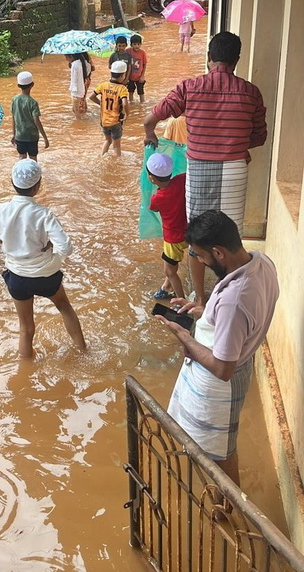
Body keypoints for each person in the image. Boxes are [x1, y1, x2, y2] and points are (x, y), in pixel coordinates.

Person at [143, 31, 267, 305]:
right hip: (234, 171)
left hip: (199, 170)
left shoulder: (190, 87)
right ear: (236, 60)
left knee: (197, 239)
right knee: (231, 238)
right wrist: (233, 141)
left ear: (209, 57)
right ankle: (230, 298)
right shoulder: (251, 92)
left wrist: (149, 133)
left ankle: (199, 299)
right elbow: (259, 137)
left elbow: (152, 117)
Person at [158, 210, 278, 486]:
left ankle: (227, 507)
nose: (200, 261)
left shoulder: (234, 301)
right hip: (230, 367)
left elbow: (224, 369)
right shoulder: (262, 262)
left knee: (217, 457)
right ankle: (221, 501)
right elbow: (240, 321)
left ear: (218, 253)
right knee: (214, 448)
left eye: (201, 256)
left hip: (219, 385)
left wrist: (184, 336)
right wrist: (206, 313)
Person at [0, 160, 86, 359]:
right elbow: (66, 248)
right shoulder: (44, 214)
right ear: (38, 186)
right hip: (46, 275)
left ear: (12, 182)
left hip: (17, 277)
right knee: (64, 306)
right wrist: (52, 249)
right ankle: (83, 352)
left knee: (26, 327)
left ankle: (26, 370)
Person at [146, 153, 187, 300]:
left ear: (151, 178)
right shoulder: (182, 180)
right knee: (172, 262)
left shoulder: (157, 198)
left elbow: (153, 208)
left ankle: (180, 300)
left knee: (170, 271)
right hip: (188, 231)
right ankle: (166, 287)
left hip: (172, 239)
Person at [90, 60, 130, 156]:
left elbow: (91, 97)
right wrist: (127, 114)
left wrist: (101, 104)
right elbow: (125, 103)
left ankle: (102, 156)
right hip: (115, 121)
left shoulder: (103, 85)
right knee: (117, 146)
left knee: (107, 140)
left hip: (104, 120)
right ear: (122, 75)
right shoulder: (122, 89)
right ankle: (118, 162)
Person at [10, 70, 48, 160]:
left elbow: (13, 118)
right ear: (32, 85)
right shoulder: (33, 103)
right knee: (33, 158)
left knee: (22, 157)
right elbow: (37, 121)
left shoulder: (14, 100)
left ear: (18, 85)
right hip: (32, 137)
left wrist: (14, 134)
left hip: (20, 136)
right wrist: (45, 138)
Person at [128, 34, 148, 105]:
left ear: (141, 44)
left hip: (139, 77)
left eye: (138, 44)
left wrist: (142, 76)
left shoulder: (142, 53)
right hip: (130, 76)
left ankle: (142, 105)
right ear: (131, 44)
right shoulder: (128, 51)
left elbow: (144, 64)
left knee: (141, 92)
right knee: (130, 91)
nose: (136, 46)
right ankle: (131, 103)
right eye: (134, 44)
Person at [67, 54, 87, 118]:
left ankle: (80, 121)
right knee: (75, 109)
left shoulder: (75, 64)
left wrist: (73, 90)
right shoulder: (81, 62)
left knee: (75, 110)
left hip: (76, 90)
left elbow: (74, 79)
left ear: (71, 56)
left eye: (66, 57)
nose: (66, 59)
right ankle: (82, 119)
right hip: (81, 89)